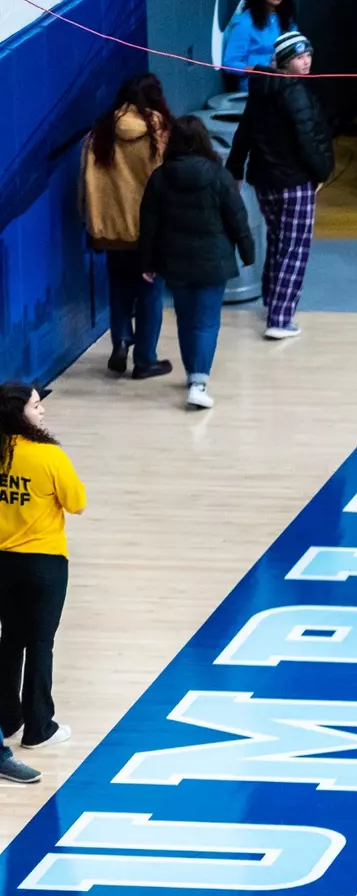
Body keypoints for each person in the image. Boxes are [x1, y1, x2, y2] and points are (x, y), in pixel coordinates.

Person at [138, 117, 256, 410]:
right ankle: (198, 383)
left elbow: (149, 225)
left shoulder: (160, 177)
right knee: (206, 322)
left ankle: (193, 375)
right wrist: (247, 252)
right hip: (212, 261)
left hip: (175, 261)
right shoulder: (219, 175)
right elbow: (237, 217)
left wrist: (148, 261)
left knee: (186, 320)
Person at [227, 30, 334, 339]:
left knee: (277, 243)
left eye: (308, 55)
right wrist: (323, 172)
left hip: (265, 182)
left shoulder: (261, 88)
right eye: (300, 57)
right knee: (294, 249)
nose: (306, 62)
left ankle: (273, 302)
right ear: (286, 61)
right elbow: (308, 140)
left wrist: (235, 167)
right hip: (294, 183)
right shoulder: (295, 92)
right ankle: (280, 318)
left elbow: (244, 132)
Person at [0, 383, 85, 757]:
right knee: (39, 643)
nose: (42, 411)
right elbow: (77, 502)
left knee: (9, 640)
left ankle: (7, 719)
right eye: (37, 405)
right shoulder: (48, 456)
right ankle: (39, 726)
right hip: (43, 563)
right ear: (21, 413)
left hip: (2, 562)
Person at [80, 73, 172, 379]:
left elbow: (84, 183)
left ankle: (120, 342)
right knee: (149, 294)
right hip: (150, 232)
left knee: (119, 288)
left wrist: (90, 222)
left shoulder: (100, 132)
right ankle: (145, 359)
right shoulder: (160, 132)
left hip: (110, 231)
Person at [221, 0, 298, 90]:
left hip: (285, 85)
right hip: (257, 89)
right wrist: (259, 71)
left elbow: (298, 50)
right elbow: (230, 64)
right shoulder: (246, 22)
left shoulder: (287, 19)